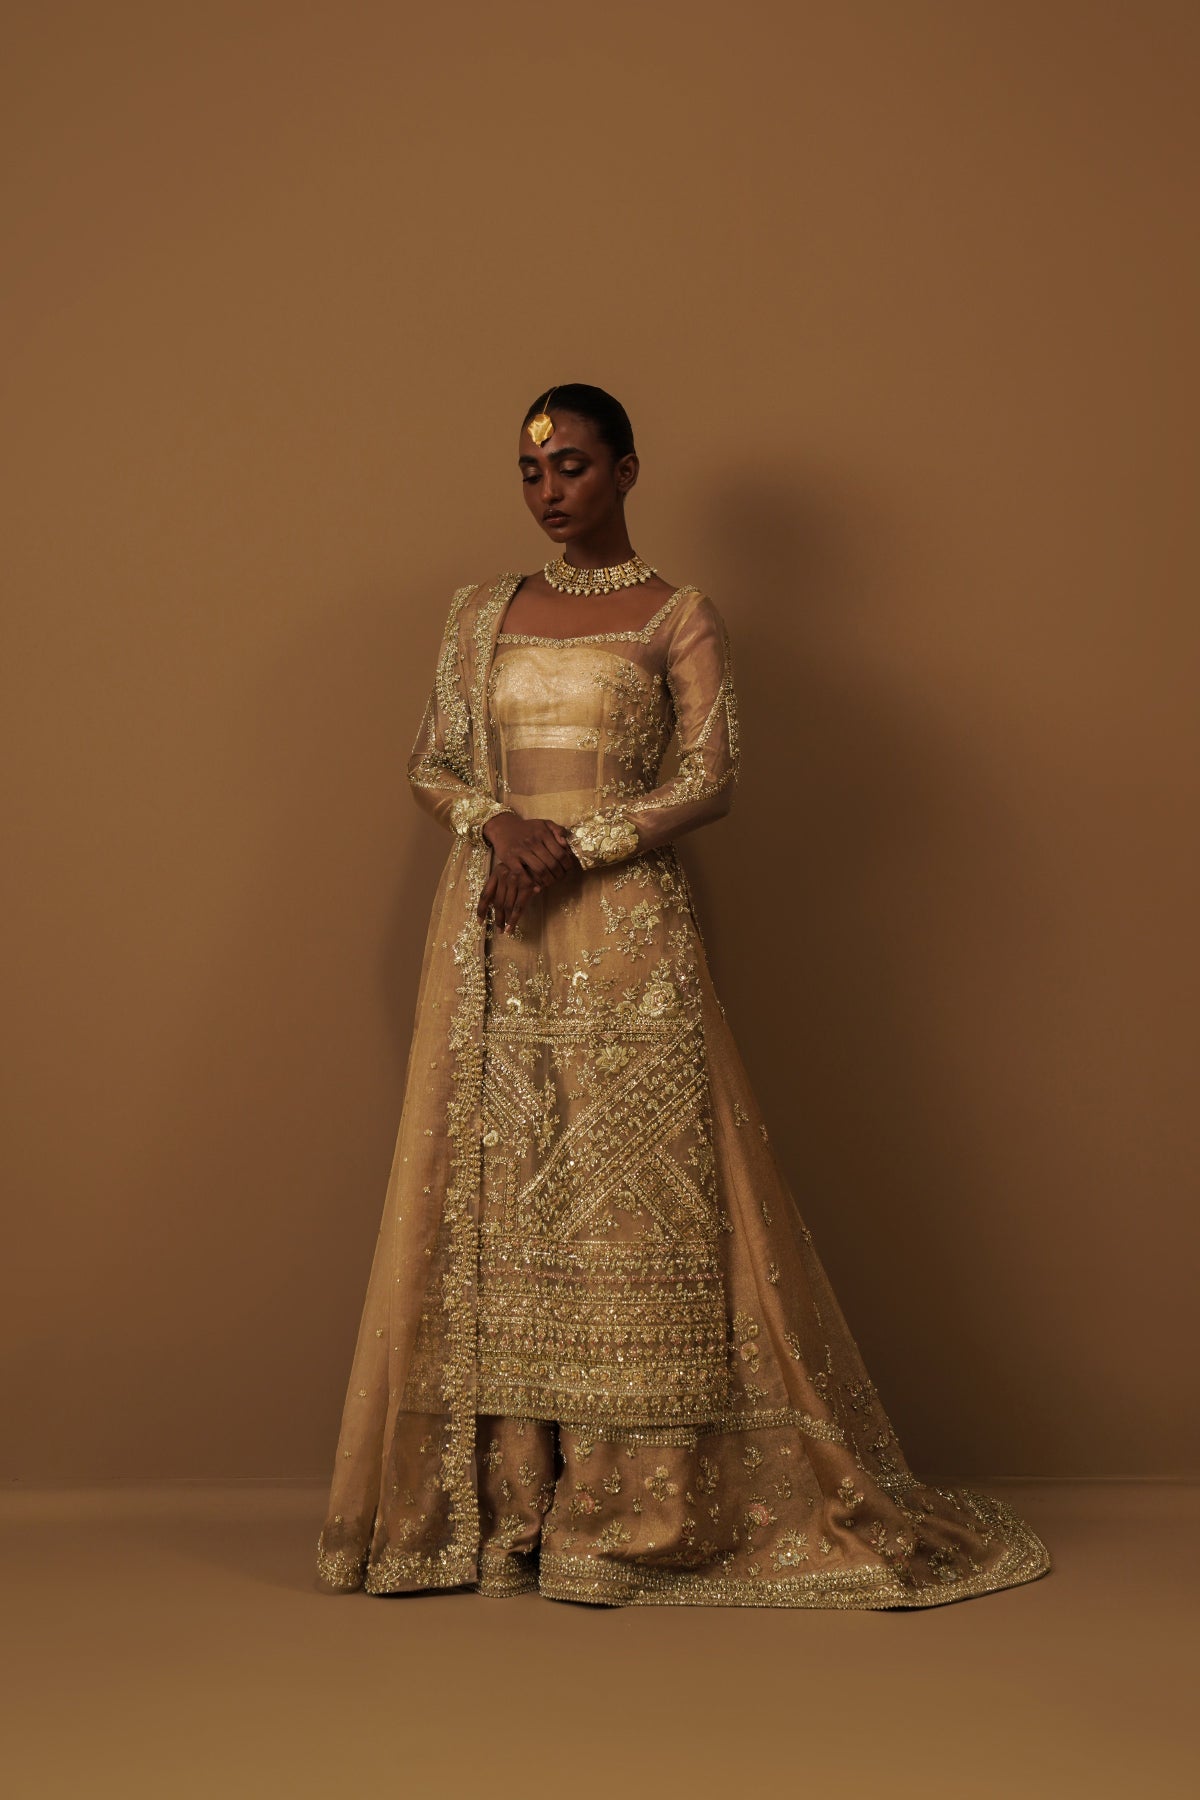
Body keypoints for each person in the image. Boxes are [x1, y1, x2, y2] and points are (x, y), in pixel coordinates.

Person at [315, 382, 1051, 1607]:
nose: (551, 492)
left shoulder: (678, 614)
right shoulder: (474, 617)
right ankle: (507, 1509)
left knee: (630, 1206)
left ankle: (633, 1507)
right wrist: (498, 823)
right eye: (531, 473)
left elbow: (711, 778)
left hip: (625, 938)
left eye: (576, 468)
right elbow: (431, 761)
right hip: (495, 932)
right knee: (498, 1200)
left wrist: (578, 844)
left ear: (629, 472)